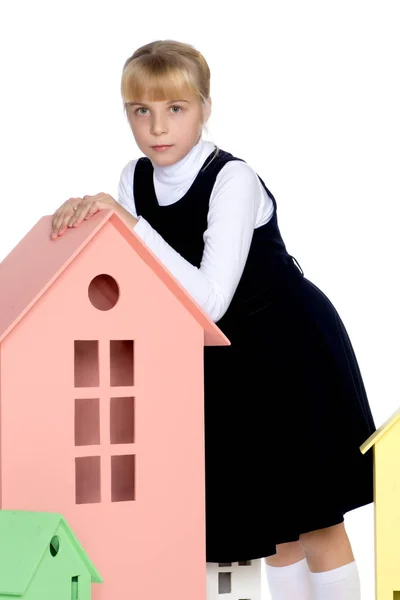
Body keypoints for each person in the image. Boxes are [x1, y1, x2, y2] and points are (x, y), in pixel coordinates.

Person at [50, 39, 376, 600]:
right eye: (141, 111)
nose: (158, 127)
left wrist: (125, 225)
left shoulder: (233, 179)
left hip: (289, 349)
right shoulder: (135, 178)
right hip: (224, 361)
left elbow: (207, 300)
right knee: (275, 531)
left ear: (204, 108)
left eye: (175, 108)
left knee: (319, 522)